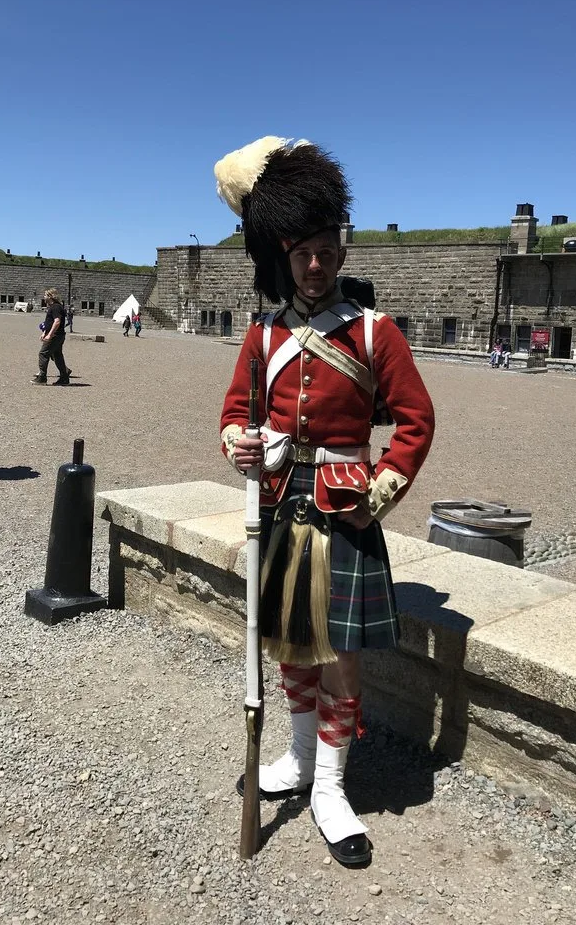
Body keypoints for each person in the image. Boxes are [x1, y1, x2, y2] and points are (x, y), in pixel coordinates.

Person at [216, 136, 435, 867]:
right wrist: (239, 446)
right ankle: (301, 758)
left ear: (340, 251)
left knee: (341, 656)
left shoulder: (375, 333)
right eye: (304, 252)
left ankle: (333, 787)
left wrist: (380, 493)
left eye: (327, 250)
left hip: (345, 509)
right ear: (285, 255)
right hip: (281, 504)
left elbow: (416, 421)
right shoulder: (262, 334)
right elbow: (233, 416)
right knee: (289, 642)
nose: (317, 264)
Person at [32, 288, 71, 385]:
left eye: (45, 295)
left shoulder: (56, 307)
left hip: (55, 335)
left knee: (43, 354)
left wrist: (49, 335)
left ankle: (42, 377)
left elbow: (57, 321)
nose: (44, 297)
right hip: (58, 335)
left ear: (50, 296)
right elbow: (49, 322)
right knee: (57, 356)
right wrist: (44, 333)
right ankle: (64, 378)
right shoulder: (54, 307)